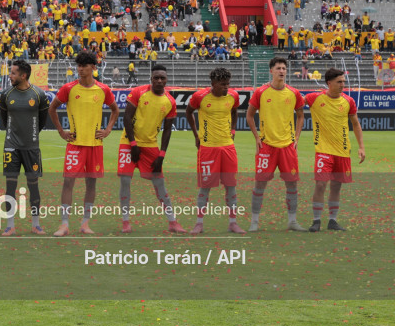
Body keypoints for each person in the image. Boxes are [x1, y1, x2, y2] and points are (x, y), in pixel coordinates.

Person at [49, 51, 119, 236]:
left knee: (91, 184)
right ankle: (64, 224)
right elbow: (52, 108)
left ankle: (85, 223)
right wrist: (61, 131)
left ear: (93, 68)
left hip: (95, 144)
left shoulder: (103, 90)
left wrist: (108, 129)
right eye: (78, 66)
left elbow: (115, 110)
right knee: (68, 182)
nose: (80, 69)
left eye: (84, 66)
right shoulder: (69, 88)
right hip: (76, 143)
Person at [120, 65, 188, 234]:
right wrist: (133, 144)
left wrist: (162, 155)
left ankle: (172, 222)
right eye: (156, 77)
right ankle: (125, 221)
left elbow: (167, 130)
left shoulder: (170, 102)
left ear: (166, 80)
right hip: (129, 143)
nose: (159, 80)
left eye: (162, 78)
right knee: (125, 181)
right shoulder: (138, 92)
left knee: (160, 184)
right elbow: (126, 117)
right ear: (151, 78)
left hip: (151, 146)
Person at [246, 57, 306, 232]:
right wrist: (257, 137)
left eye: (284, 68)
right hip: (267, 146)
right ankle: (254, 222)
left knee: (292, 184)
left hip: (288, 146)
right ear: (271, 71)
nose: (282, 71)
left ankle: (292, 221)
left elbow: (301, 115)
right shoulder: (261, 92)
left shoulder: (293, 93)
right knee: (260, 183)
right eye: (278, 68)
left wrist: (297, 137)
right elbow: (249, 115)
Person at [185, 67, 245, 234]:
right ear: (213, 84)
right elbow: (188, 112)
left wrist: (233, 131)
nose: (226, 87)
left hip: (228, 147)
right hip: (208, 148)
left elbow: (234, 112)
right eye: (222, 85)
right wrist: (196, 135)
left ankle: (233, 222)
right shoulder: (200, 97)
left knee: (231, 186)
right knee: (205, 187)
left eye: (227, 84)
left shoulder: (233, 96)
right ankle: (199, 223)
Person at [304, 69, 365, 232]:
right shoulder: (314, 98)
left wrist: (361, 147)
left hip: (343, 151)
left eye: (344, 81)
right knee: (321, 184)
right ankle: (316, 220)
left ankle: (332, 220)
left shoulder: (349, 101)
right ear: (329, 83)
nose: (342, 85)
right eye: (339, 82)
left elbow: (356, 124)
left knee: (336, 186)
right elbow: (295, 101)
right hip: (323, 150)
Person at [0, 60, 50, 235]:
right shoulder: (6, 94)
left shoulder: (39, 94)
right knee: (10, 186)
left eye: (13, 73)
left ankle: (36, 224)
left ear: (23, 75)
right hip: (11, 147)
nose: (10, 76)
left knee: (33, 186)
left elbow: (42, 120)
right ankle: (10, 225)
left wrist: (31, 136)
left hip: (31, 148)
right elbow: (4, 119)